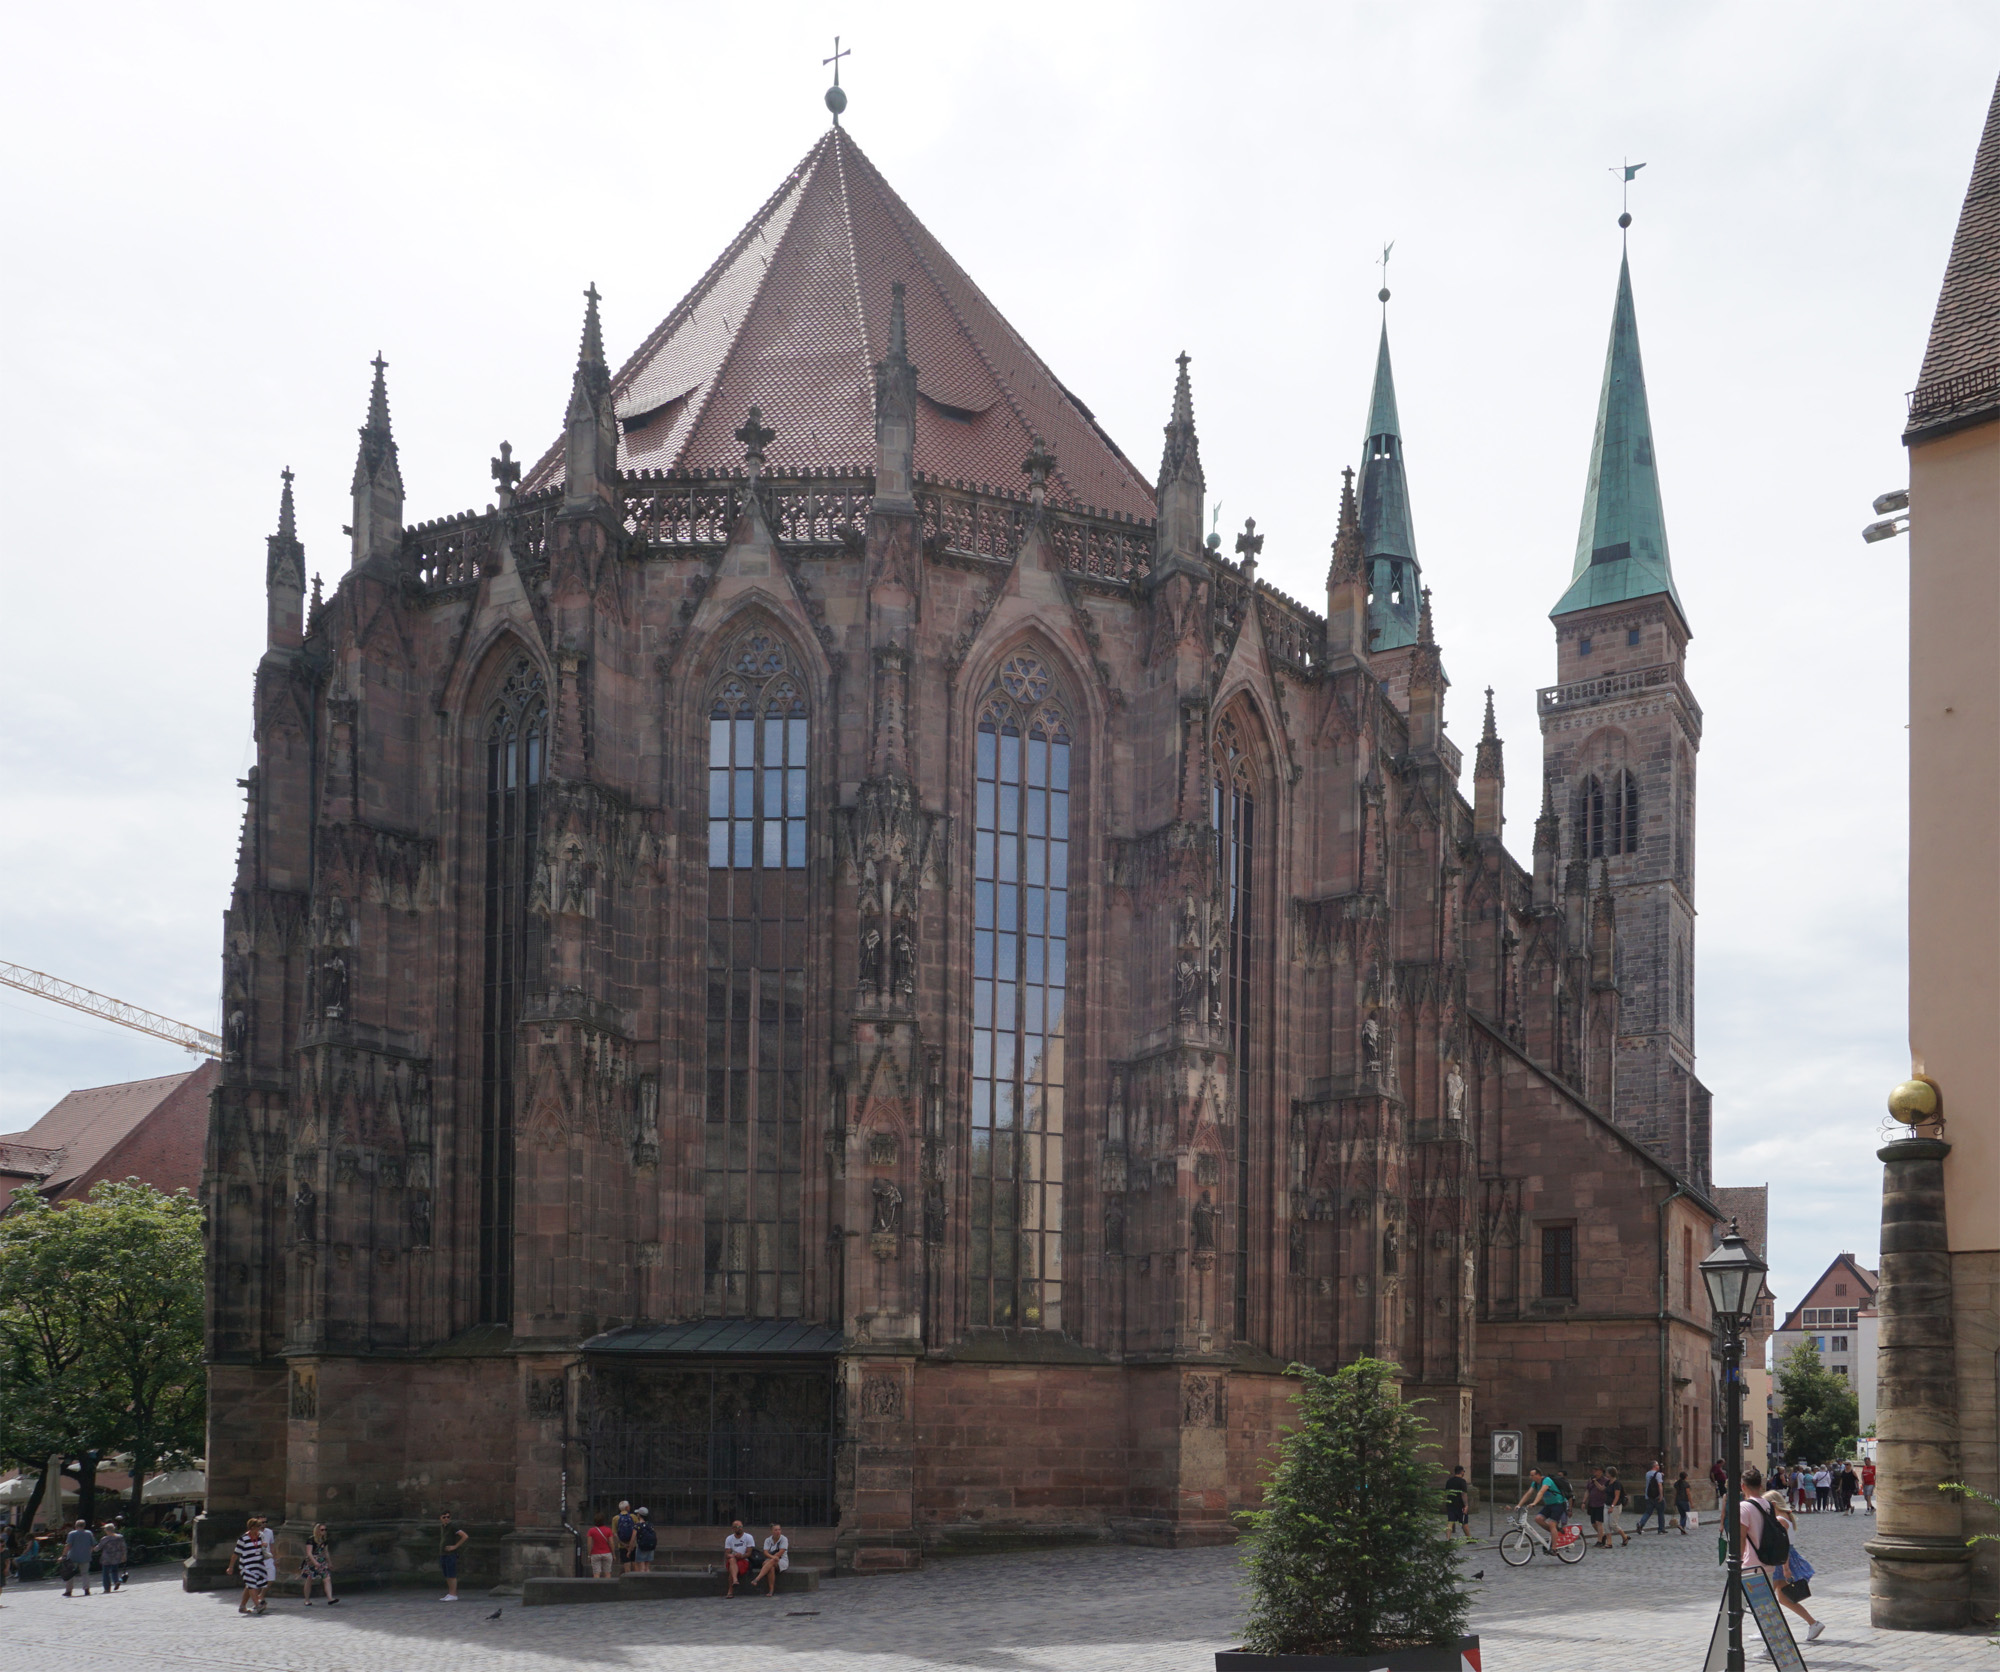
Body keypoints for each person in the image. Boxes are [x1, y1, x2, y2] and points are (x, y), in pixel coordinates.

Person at [1741, 1474, 1824, 1643]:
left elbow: (1781, 1545)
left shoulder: (1780, 1520)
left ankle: (1770, 1630)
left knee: (1766, 1599)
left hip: (1780, 1560)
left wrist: (1785, 1568)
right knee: (1781, 1599)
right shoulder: (1785, 1518)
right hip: (1783, 1559)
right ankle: (1811, 1623)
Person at [227, 1516, 272, 1614]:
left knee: (250, 1585)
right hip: (246, 1566)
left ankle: (242, 1606)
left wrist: (263, 1546)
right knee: (252, 1585)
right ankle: (258, 1605)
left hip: (258, 1565)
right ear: (252, 1527)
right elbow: (235, 1554)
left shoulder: (260, 1536)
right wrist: (230, 1567)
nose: (260, 1528)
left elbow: (261, 1547)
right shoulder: (243, 1539)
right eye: (258, 1526)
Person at [1514, 1466, 1567, 1544]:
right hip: (1549, 1505)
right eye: (1530, 1475)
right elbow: (1528, 1493)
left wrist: (1534, 1503)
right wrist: (1519, 1505)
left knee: (1552, 1524)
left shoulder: (1547, 1480)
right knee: (1538, 1519)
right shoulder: (1535, 1483)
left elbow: (1541, 1492)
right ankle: (1556, 1533)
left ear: (1538, 1475)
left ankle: (1554, 1548)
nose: (1530, 1477)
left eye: (1532, 1475)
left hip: (1559, 1504)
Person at [301, 1521, 337, 1604]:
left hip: (321, 1561)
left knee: (327, 1578)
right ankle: (307, 1600)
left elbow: (326, 1552)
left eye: (325, 1529)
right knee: (309, 1579)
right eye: (322, 1530)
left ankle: (330, 1598)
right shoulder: (311, 1539)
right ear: (317, 1530)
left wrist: (329, 1563)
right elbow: (309, 1553)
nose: (324, 1531)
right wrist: (315, 1563)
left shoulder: (324, 1540)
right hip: (311, 1561)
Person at [60, 1519, 97, 1598]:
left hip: (73, 1556)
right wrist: (89, 1553)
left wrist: (64, 1555)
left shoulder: (72, 1534)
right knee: (85, 1573)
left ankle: (68, 1591)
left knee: (70, 1574)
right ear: (84, 1526)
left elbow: (68, 1545)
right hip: (85, 1556)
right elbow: (92, 1545)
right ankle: (86, 1589)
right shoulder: (89, 1533)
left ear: (76, 1526)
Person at [438, 1510, 469, 1600]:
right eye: (444, 1517)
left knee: (451, 1574)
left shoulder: (453, 1526)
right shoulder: (443, 1527)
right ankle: (450, 1592)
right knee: (447, 1574)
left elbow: (464, 1536)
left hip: (450, 1554)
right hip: (443, 1553)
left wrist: (455, 1546)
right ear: (440, 1518)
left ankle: (453, 1594)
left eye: (448, 1517)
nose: (446, 1519)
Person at [755, 1523, 790, 1596]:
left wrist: (773, 1558)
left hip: (781, 1561)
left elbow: (781, 1552)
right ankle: (771, 1590)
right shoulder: (768, 1540)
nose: (778, 1532)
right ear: (771, 1531)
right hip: (771, 1560)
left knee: (770, 1562)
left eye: (779, 1530)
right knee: (771, 1567)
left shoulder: (784, 1539)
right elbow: (765, 1552)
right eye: (776, 1530)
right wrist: (772, 1557)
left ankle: (757, 1578)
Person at [722, 1520, 755, 1596]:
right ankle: (735, 1580)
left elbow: (749, 1553)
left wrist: (741, 1556)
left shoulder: (748, 1537)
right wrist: (731, 1555)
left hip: (744, 1560)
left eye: (740, 1526)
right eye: (737, 1527)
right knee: (732, 1560)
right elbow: (727, 1553)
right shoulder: (729, 1538)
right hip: (733, 1559)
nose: (739, 1528)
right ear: (733, 1528)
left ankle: (730, 1590)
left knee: (732, 1568)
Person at [1443, 1466, 1474, 1542]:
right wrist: (1466, 1505)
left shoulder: (1449, 1481)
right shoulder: (1462, 1481)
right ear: (1461, 1472)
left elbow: (1446, 1493)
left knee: (1450, 1522)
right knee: (1464, 1522)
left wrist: (1447, 1502)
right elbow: (1464, 1494)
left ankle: (1447, 1539)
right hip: (1460, 1505)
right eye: (1464, 1471)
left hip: (1451, 1504)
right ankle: (1469, 1538)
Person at [1603, 1466, 1631, 1546]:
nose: (1605, 1474)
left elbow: (1617, 1496)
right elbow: (1602, 1488)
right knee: (1606, 1524)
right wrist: (1595, 1482)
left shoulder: (1617, 1483)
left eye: (1607, 1472)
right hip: (1606, 1505)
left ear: (1610, 1474)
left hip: (1615, 1506)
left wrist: (1612, 1506)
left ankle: (1624, 1536)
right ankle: (1609, 1543)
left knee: (1613, 1525)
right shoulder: (1608, 1482)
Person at [98, 1521, 128, 1591]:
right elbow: (123, 1547)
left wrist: (93, 1549)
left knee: (105, 1573)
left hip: (106, 1558)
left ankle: (107, 1588)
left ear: (107, 1530)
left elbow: (98, 1547)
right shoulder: (119, 1537)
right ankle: (116, 1581)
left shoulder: (104, 1539)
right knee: (114, 1570)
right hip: (116, 1557)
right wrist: (124, 1555)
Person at [1641, 1460, 1668, 1533]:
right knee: (1660, 1512)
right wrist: (1661, 1495)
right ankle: (1661, 1529)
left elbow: (1652, 1477)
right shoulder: (1658, 1474)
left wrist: (1660, 1474)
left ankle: (1641, 1524)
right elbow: (1659, 1485)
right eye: (1657, 1465)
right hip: (1657, 1496)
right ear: (1654, 1466)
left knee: (1648, 1512)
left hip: (1649, 1496)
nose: (1658, 1466)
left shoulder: (1647, 1474)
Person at [614, 1500, 638, 1574]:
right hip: (633, 1545)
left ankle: (628, 1578)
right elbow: (637, 1530)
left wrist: (623, 1544)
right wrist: (631, 1543)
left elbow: (615, 1533)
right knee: (634, 1564)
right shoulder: (633, 1517)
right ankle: (636, 1579)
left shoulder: (615, 1518)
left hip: (622, 1546)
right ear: (627, 1507)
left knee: (626, 1564)